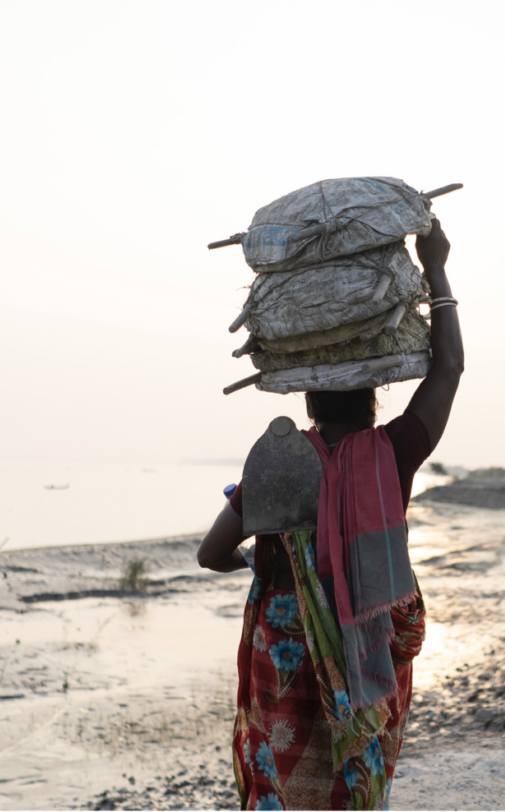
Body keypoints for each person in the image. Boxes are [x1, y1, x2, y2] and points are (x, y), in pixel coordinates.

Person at [197, 219, 463, 810]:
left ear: (307, 397)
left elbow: (209, 554)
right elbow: (448, 370)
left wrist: (258, 563)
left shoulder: (275, 464)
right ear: (374, 395)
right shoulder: (392, 454)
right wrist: (436, 266)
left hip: (283, 664)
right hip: (365, 659)